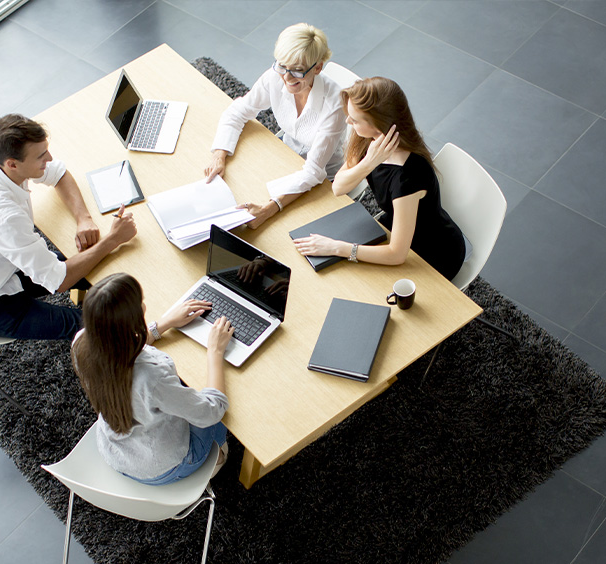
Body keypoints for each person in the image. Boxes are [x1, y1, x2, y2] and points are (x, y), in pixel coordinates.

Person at [0, 114, 137, 341]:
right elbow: (60, 280)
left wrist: (83, 218)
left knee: (98, 268)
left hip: (4, 265)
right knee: (96, 326)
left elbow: (59, 173)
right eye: (41, 156)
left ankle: (88, 295)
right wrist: (113, 239)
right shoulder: (3, 217)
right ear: (12, 164)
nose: (50, 158)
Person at [293, 77, 467, 281]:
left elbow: (397, 254)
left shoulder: (407, 176)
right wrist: (369, 163)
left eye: (355, 119)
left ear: (378, 123)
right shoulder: (369, 140)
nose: (348, 121)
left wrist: (337, 247)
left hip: (433, 251)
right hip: (397, 226)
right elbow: (338, 188)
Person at [72, 273, 234, 484]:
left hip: (115, 451)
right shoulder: (152, 377)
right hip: (161, 467)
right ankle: (216, 460)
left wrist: (163, 324)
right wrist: (215, 351)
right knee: (223, 419)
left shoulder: (81, 344)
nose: (145, 306)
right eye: (140, 303)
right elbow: (212, 410)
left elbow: (118, 347)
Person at [204, 23, 346, 229]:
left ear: (317, 67)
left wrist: (268, 209)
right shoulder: (275, 76)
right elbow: (237, 112)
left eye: (297, 71)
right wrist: (219, 155)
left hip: (323, 179)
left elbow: (314, 172)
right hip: (284, 154)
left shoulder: (335, 103)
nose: (286, 78)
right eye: (282, 66)